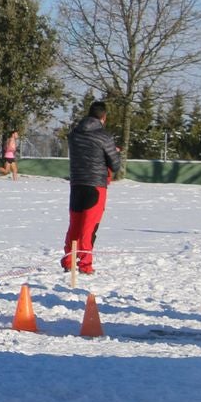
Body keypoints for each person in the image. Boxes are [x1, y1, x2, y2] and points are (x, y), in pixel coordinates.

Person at [61, 101, 122, 275]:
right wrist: (115, 152)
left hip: (77, 184)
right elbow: (115, 165)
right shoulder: (104, 136)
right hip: (96, 185)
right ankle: (85, 264)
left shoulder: (74, 134)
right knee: (89, 227)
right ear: (104, 117)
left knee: (75, 224)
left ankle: (69, 260)